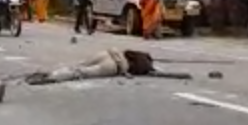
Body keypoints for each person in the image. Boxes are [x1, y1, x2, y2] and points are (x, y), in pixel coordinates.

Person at [24, 49, 157, 85]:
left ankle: (50, 72)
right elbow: (126, 70)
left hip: (107, 53)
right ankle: (51, 77)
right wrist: (124, 72)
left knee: (78, 66)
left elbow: (114, 49)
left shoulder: (130, 53)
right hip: (112, 66)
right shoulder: (142, 65)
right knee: (81, 72)